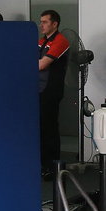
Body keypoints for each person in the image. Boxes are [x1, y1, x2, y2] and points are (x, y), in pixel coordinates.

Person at [37, 9, 70, 177]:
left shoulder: (61, 41)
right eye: (41, 21)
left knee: (49, 128)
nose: (41, 25)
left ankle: (52, 166)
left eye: (45, 22)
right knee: (40, 128)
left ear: (54, 24)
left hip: (51, 91)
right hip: (38, 89)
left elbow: (42, 64)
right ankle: (42, 164)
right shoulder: (42, 41)